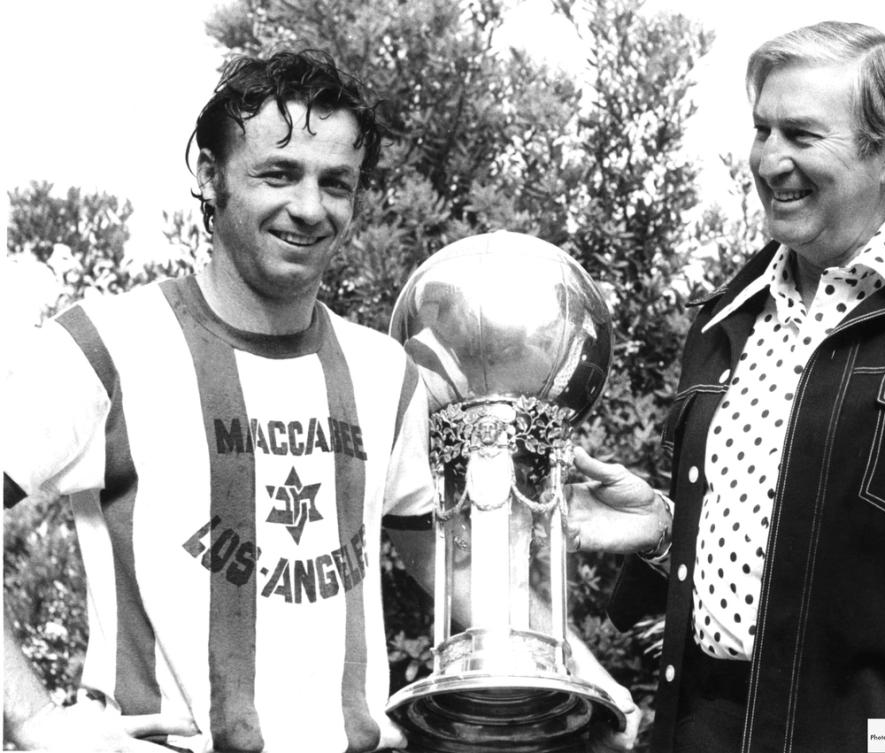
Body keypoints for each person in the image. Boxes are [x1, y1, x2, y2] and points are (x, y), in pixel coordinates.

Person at [2, 49, 637, 752]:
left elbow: (454, 568)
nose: (309, 208)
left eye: (336, 182)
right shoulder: (104, 344)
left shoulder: (385, 371)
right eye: (278, 174)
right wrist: (35, 717)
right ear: (211, 177)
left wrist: (582, 678)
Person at [565, 20, 885, 753]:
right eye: (762, 129)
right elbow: (781, 529)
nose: (769, 159)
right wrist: (669, 530)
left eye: (800, 134)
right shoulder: (721, 320)